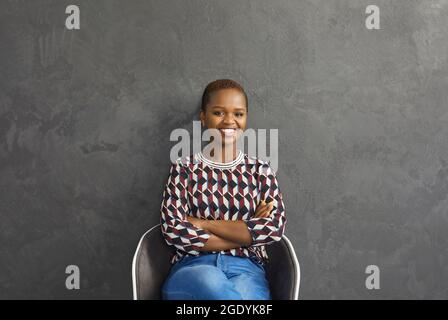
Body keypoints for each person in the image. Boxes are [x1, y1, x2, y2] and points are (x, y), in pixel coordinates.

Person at [160, 79, 287, 300]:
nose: (229, 121)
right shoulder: (184, 169)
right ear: (203, 117)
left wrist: (204, 223)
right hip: (193, 268)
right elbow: (174, 230)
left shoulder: (261, 170)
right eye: (219, 113)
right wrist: (247, 233)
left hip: (247, 270)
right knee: (211, 282)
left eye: (238, 114)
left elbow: (274, 228)